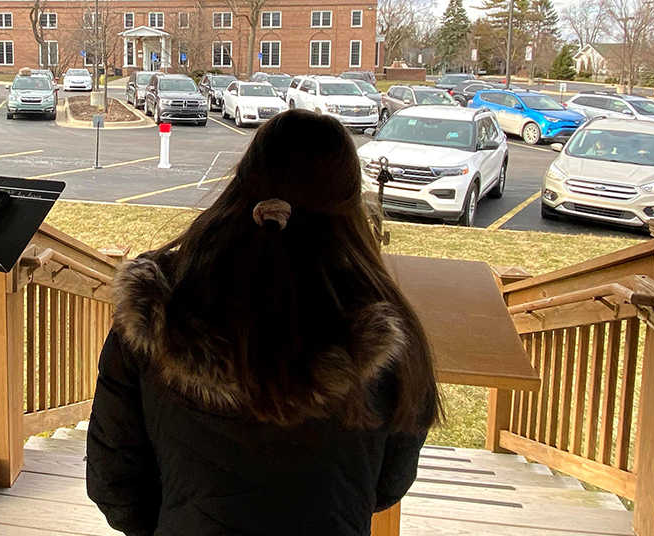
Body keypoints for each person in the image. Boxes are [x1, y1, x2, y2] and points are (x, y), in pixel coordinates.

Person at [87, 109, 442, 536]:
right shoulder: (385, 327)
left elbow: (114, 483)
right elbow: (389, 483)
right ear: (350, 203)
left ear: (242, 181)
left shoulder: (160, 308)